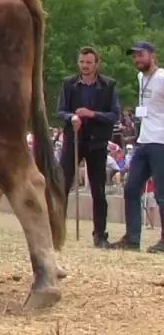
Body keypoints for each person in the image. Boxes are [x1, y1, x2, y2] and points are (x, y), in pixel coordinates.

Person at [55, 46, 121, 247]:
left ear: (96, 64)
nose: (85, 66)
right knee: (62, 187)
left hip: (97, 144)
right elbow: (60, 111)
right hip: (73, 141)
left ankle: (100, 235)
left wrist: (92, 114)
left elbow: (114, 115)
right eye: (82, 62)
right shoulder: (69, 84)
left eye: (89, 62)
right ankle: (55, 231)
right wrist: (71, 116)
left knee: (98, 191)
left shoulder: (108, 86)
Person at [107, 41, 164, 252]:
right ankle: (132, 239)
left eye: (141, 55)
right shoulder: (141, 78)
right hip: (143, 141)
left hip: (161, 142)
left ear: (151, 55)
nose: (137, 60)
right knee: (131, 188)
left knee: (161, 192)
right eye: (134, 56)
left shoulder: (161, 78)